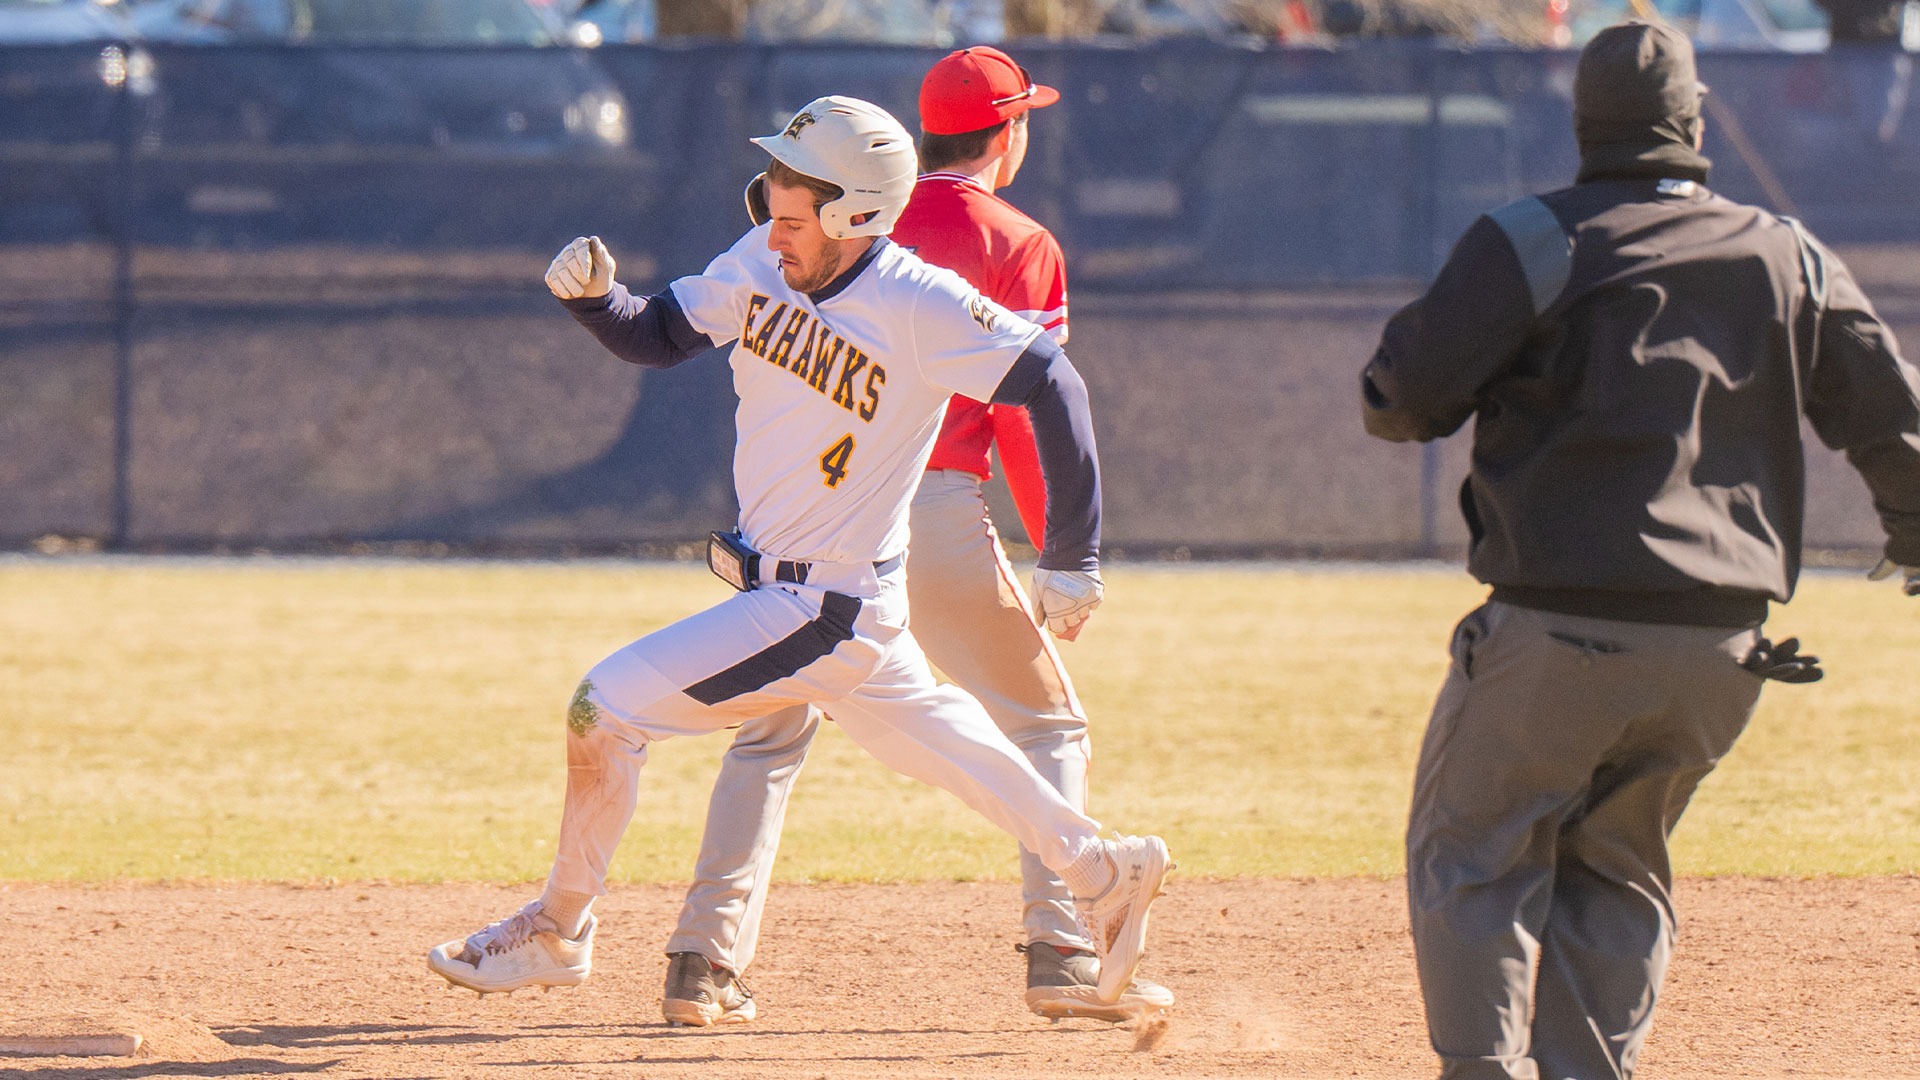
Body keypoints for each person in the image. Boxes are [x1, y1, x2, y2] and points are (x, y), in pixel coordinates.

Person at [426, 95, 1173, 1016]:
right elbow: (659, 333)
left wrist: (1070, 552)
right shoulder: (760, 261)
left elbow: (1052, 378)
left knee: (605, 707)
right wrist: (595, 302)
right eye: (770, 205)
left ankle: (556, 931)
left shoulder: (916, 300)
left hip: (826, 606)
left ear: (855, 213)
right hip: (844, 605)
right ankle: (1106, 870)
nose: (771, 231)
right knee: (960, 755)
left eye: (791, 214)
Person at [1359, 21, 1920, 1080]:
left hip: (1557, 630)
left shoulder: (1536, 238)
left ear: (1583, 125)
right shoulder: (1786, 250)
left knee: (1475, 852)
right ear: (1696, 123)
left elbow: (1404, 399)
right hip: (1720, 651)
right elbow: (1892, 419)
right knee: (1617, 865)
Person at [654, 46, 1172, 1030]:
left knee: (771, 729)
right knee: (1044, 722)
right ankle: (1062, 946)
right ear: (1008, 133)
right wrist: (1065, 555)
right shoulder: (1018, 238)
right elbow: (1027, 409)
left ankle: (702, 961)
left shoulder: (838, 218)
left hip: (800, 516)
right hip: (925, 514)